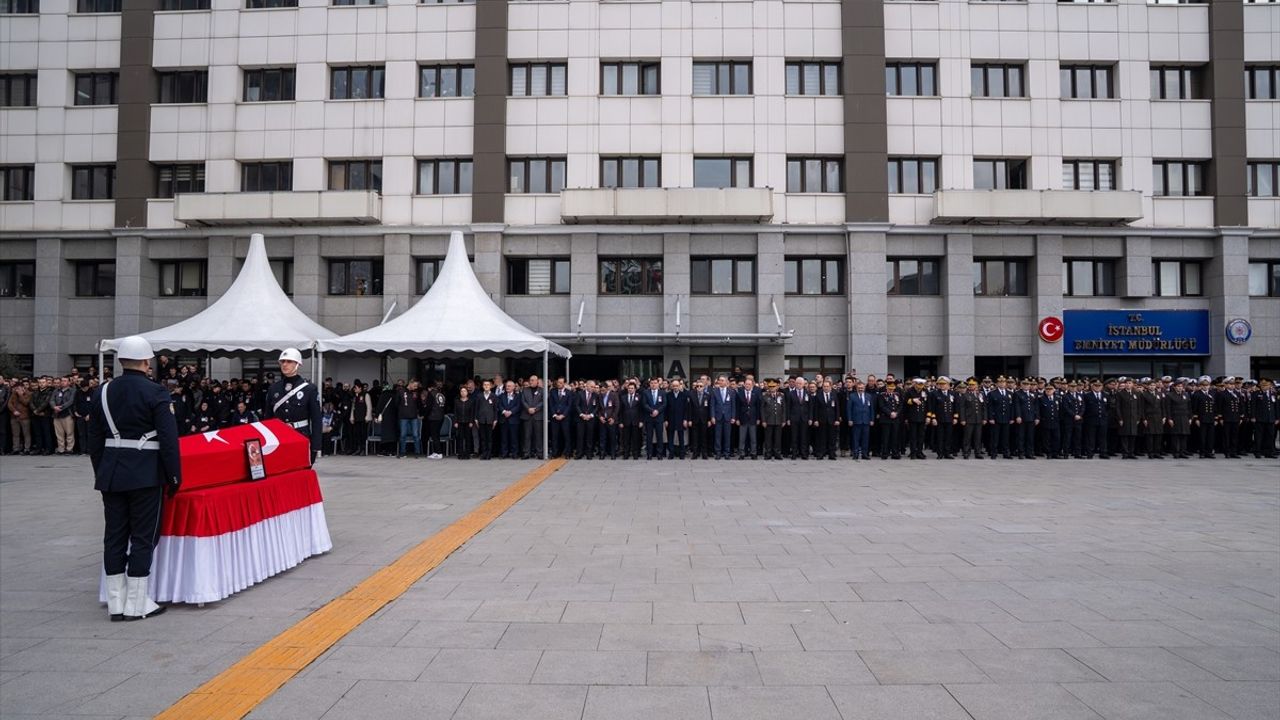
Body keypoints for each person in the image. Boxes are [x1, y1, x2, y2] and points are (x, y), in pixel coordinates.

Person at [88, 336, 181, 621]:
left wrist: (102, 470)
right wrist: (173, 476)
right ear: (146, 361)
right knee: (143, 536)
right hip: (145, 474)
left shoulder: (102, 391)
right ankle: (137, 603)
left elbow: (94, 439)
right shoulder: (156, 392)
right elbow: (168, 439)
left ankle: (116, 603)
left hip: (111, 473)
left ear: (120, 361)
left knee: (114, 536)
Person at [264, 348, 323, 463]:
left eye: (289, 361)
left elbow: (316, 419)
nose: (285, 364)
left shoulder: (309, 389)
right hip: (278, 438)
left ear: (297, 364)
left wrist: (315, 446)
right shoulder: (274, 388)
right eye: (283, 361)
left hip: (300, 436)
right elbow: (268, 417)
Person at [845, 380, 874, 460]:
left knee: (865, 439)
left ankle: (864, 454)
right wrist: (850, 419)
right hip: (856, 421)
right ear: (856, 388)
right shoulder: (852, 396)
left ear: (864, 388)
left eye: (862, 388)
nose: (861, 389)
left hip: (866, 421)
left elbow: (871, 409)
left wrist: (872, 419)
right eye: (859, 388)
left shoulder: (868, 396)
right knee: (855, 439)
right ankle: (855, 454)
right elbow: (849, 409)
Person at [958, 379, 984, 459]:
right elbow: (962, 408)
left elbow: (983, 408)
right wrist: (962, 419)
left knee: (978, 437)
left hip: (978, 419)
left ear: (977, 386)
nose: (971, 386)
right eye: (970, 385)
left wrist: (984, 418)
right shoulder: (965, 395)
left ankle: (978, 453)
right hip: (969, 419)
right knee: (967, 437)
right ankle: (966, 452)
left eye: (973, 385)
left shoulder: (980, 395)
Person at [643, 377, 668, 460]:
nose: (653, 385)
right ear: (649, 384)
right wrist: (652, 411)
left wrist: (657, 411)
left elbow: (664, 404)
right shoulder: (646, 392)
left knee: (659, 436)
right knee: (649, 437)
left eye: (655, 383)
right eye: (652, 383)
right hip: (649, 417)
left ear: (658, 384)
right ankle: (649, 454)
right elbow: (644, 404)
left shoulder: (662, 393)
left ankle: (659, 454)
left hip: (659, 417)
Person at [736, 377, 761, 460]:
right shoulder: (739, 393)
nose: (747, 385)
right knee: (742, 438)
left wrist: (758, 418)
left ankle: (753, 453)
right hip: (742, 419)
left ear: (752, 385)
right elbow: (737, 407)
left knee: (753, 438)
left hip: (753, 419)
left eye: (749, 384)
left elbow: (758, 407)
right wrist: (737, 419)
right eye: (746, 384)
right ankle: (741, 453)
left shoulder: (756, 393)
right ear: (744, 385)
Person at [520, 375, 545, 460]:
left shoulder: (542, 390)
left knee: (538, 435)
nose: (531, 382)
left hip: (537, 416)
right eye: (530, 380)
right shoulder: (525, 390)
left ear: (537, 381)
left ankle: (539, 453)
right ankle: (526, 453)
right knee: (527, 435)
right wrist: (528, 408)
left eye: (533, 380)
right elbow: (523, 401)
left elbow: (543, 401)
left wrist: (535, 409)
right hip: (527, 415)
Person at [1253, 377, 1277, 459]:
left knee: (1270, 436)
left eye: (1266, 385)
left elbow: (1276, 407)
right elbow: (1253, 406)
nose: (1264, 387)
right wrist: (1253, 416)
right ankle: (1257, 452)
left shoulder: (1273, 394)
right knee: (1259, 436)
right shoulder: (1256, 394)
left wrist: (1277, 418)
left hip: (1270, 418)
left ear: (1269, 385)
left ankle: (1269, 452)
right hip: (1260, 418)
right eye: (1262, 385)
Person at [474, 380, 498, 460]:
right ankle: (484, 453)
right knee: (483, 438)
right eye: (485, 385)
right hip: (481, 419)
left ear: (490, 386)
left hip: (490, 419)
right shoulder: (479, 396)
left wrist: (495, 419)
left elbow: (495, 409)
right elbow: (476, 408)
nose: (486, 386)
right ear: (483, 386)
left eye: (488, 385)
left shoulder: (494, 396)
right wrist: (476, 418)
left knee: (489, 438)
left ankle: (489, 454)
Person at [498, 380, 522, 459]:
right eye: (506, 386)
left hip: (513, 420)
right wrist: (504, 411)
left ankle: (514, 453)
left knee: (514, 438)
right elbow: (499, 405)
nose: (507, 387)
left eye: (509, 386)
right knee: (504, 438)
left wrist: (511, 412)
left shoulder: (518, 396)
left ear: (513, 387)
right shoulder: (501, 396)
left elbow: (518, 406)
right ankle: (504, 453)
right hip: (504, 419)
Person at [453, 386, 476, 459]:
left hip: (468, 422)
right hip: (459, 422)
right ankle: (460, 454)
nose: (463, 393)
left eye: (464, 391)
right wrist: (455, 422)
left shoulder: (470, 401)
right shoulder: (457, 401)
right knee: (460, 438)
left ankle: (467, 454)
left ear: (467, 392)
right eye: (462, 391)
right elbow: (455, 412)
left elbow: (472, 412)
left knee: (468, 438)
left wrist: (471, 421)